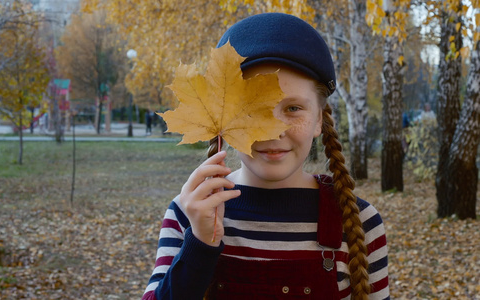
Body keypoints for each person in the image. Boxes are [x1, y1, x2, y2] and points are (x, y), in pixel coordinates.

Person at [142, 13, 389, 300]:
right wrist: (199, 243)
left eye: (293, 108)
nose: (274, 131)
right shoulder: (190, 212)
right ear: (224, 116)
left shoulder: (357, 221)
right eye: (255, 109)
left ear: (319, 120)